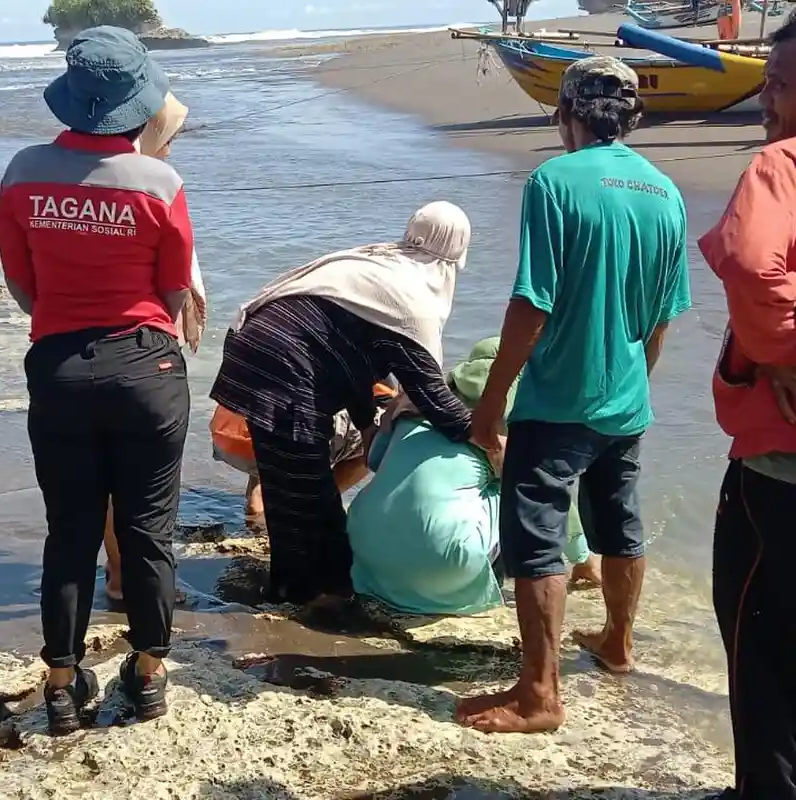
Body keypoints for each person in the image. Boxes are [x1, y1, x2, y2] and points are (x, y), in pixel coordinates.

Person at [457, 56, 690, 734]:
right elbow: (662, 318)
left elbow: (532, 303)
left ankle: (539, 694)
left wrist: (490, 403)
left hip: (557, 400)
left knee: (536, 541)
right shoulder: (666, 193)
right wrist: (634, 383)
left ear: (566, 115)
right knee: (619, 523)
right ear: (631, 117)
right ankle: (618, 643)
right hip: (626, 400)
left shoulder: (553, 181)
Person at [0, 27, 194, 734]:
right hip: (146, 366)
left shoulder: (22, 172)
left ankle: (60, 682)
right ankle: (149, 672)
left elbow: (20, 281)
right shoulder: (160, 183)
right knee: (148, 528)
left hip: (59, 367)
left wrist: (64, 319)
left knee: (70, 530)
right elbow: (174, 290)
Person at [209, 202, 477, 610]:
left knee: (287, 486)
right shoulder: (413, 300)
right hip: (285, 362)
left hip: (255, 346)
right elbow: (435, 401)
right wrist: (489, 440)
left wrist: (367, 426)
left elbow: (349, 359)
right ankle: (327, 597)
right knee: (313, 494)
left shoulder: (376, 265)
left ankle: (288, 588)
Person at [698, 13, 796, 798]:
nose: (766, 100)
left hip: (780, 470)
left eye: (781, 85)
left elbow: (753, 266)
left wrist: (784, 352)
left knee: (760, 640)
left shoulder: (779, 166)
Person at [348, 338, 599, 618]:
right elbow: (551, 498)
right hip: (444, 567)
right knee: (525, 486)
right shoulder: (511, 420)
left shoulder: (415, 404)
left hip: (367, 552)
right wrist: (583, 559)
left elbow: (375, 459)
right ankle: (496, 583)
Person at [102, 91, 206, 603]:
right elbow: (174, 274)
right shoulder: (153, 183)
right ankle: (137, 582)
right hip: (144, 347)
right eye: (169, 135)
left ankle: (119, 572)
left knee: (106, 473)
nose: (171, 146)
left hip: (81, 346)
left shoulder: (92, 176)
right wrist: (163, 326)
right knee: (146, 478)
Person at [209, 385, 394, 525]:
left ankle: (261, 497)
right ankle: (314, 506)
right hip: (289, 440)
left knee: (272, 391)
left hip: (228, 436)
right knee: (386, 431)